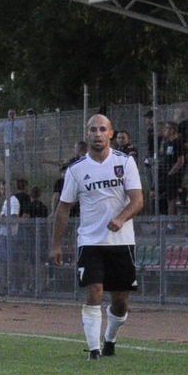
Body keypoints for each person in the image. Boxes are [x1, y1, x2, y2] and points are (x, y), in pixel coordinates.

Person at [50, 115, 144, 359]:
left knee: (120, 300)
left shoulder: (125, 163)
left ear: (110, 134)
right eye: (93, 129)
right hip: (90, 242)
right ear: (87, 134)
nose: (97, 134)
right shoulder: (76, 169)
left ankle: (110, 338)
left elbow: (137, 200)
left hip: (121, 241)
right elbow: (63, 208)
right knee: (94, 291)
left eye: (102, 129)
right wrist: (56, 244)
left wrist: (121, 219)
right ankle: (93, 349)